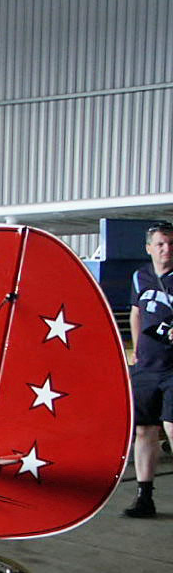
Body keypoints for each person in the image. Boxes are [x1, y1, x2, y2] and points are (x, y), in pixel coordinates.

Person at [124, 221, 173, 517]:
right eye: (161, 244)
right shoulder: (140, 276)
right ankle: (144, 497)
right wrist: (137, 352)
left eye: (171, 244)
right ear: (149, 248)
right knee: (144, 430)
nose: (167, 249)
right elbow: (136, 312)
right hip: (146, 366)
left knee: (171, 426)